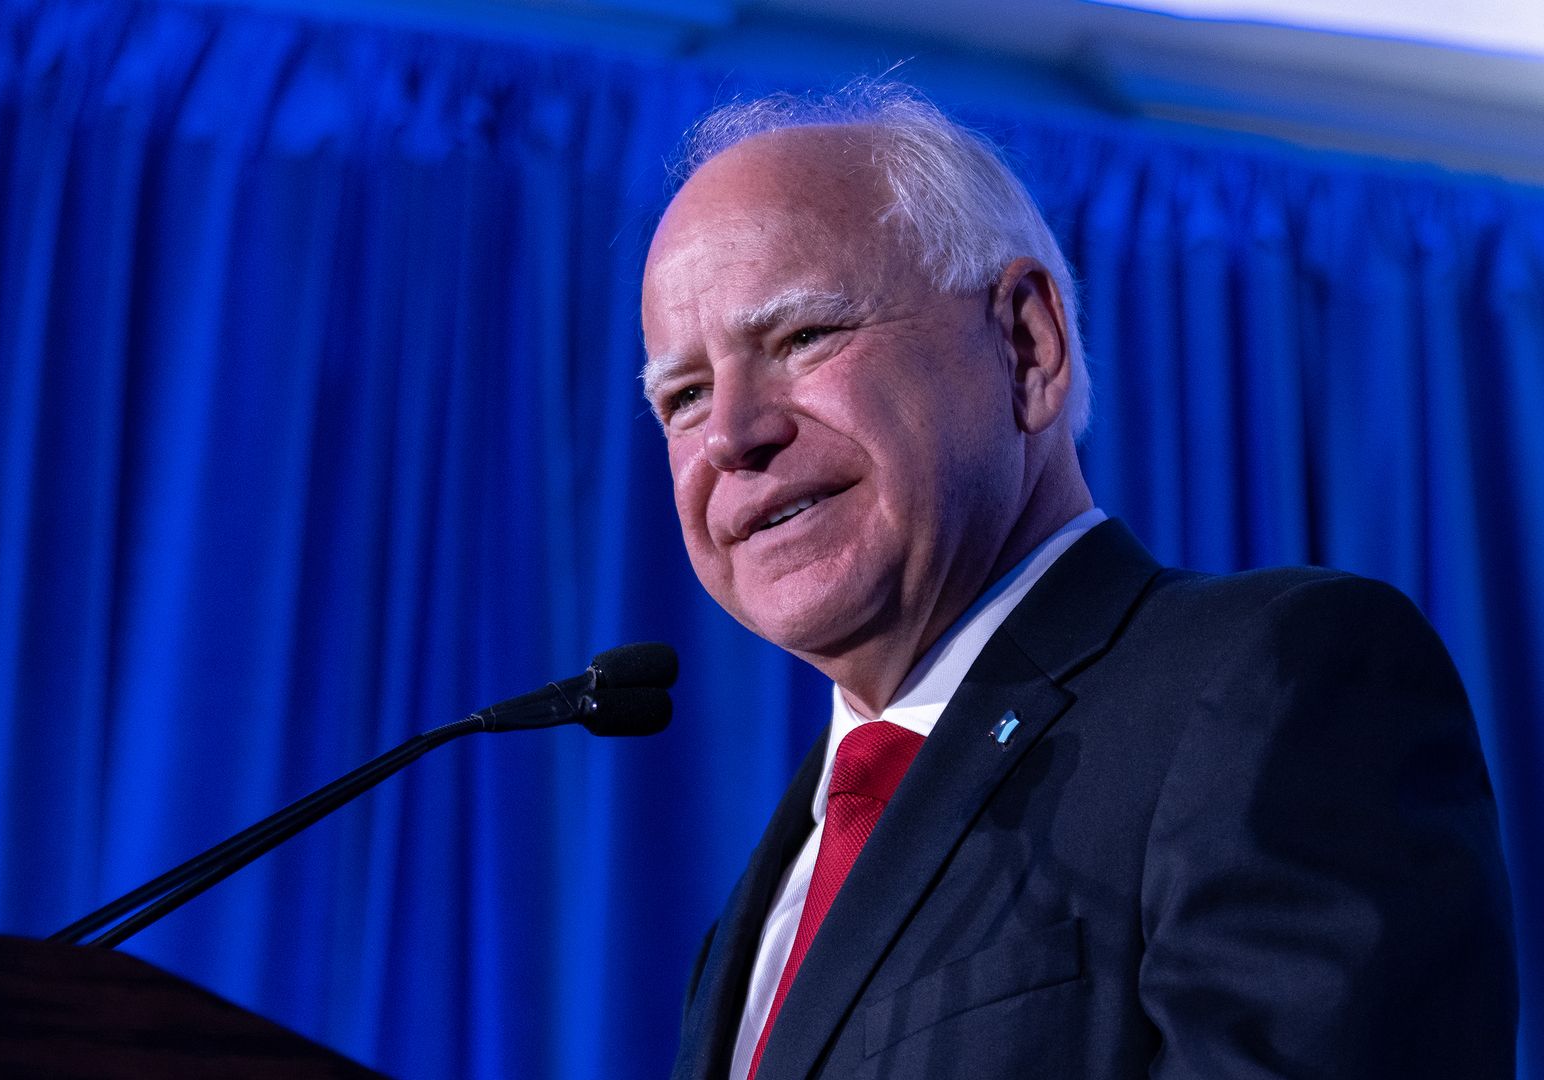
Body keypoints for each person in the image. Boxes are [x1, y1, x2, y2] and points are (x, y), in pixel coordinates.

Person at [640, 82, 1516, 1080]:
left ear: (1027, 344)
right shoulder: (761, 903)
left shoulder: (1274, 685)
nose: (730, 436)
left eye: (803, 337)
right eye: (684, 395)